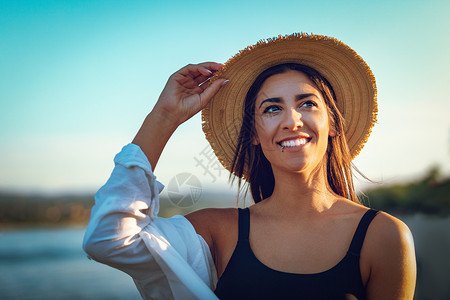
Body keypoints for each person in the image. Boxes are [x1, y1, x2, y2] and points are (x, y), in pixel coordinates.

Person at [83, 33, 416, 300]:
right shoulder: (218, 231)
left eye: (307, 103)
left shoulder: (383, 236)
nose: (292, 120)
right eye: (272, 109)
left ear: (332, 123)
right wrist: (164, 117)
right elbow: (107, 238)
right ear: (254, 135)